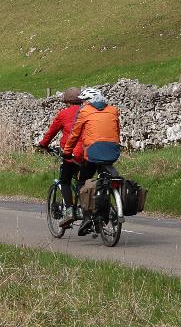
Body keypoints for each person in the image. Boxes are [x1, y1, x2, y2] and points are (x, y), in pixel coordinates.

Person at [65, 86, 123, 235]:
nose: (82, 104)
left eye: (84, 101)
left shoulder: (84, 111)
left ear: (89, 101)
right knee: (105, 178)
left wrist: (67, 152)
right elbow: (117, 131)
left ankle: (87, 217)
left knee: (82, 181)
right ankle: (107, 207)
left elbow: (75, 134)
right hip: (112, 151)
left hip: (92, 153)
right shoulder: (113, 110)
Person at [35, 87, 85, 231]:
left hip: (72, 154)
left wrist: (43, 145)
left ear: (67, 102)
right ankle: (86, 208)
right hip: (89, 153)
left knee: (65, 181)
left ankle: (69, 211)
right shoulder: (87, 112)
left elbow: (51, 132)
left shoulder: (63, 114)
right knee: (84, 181)